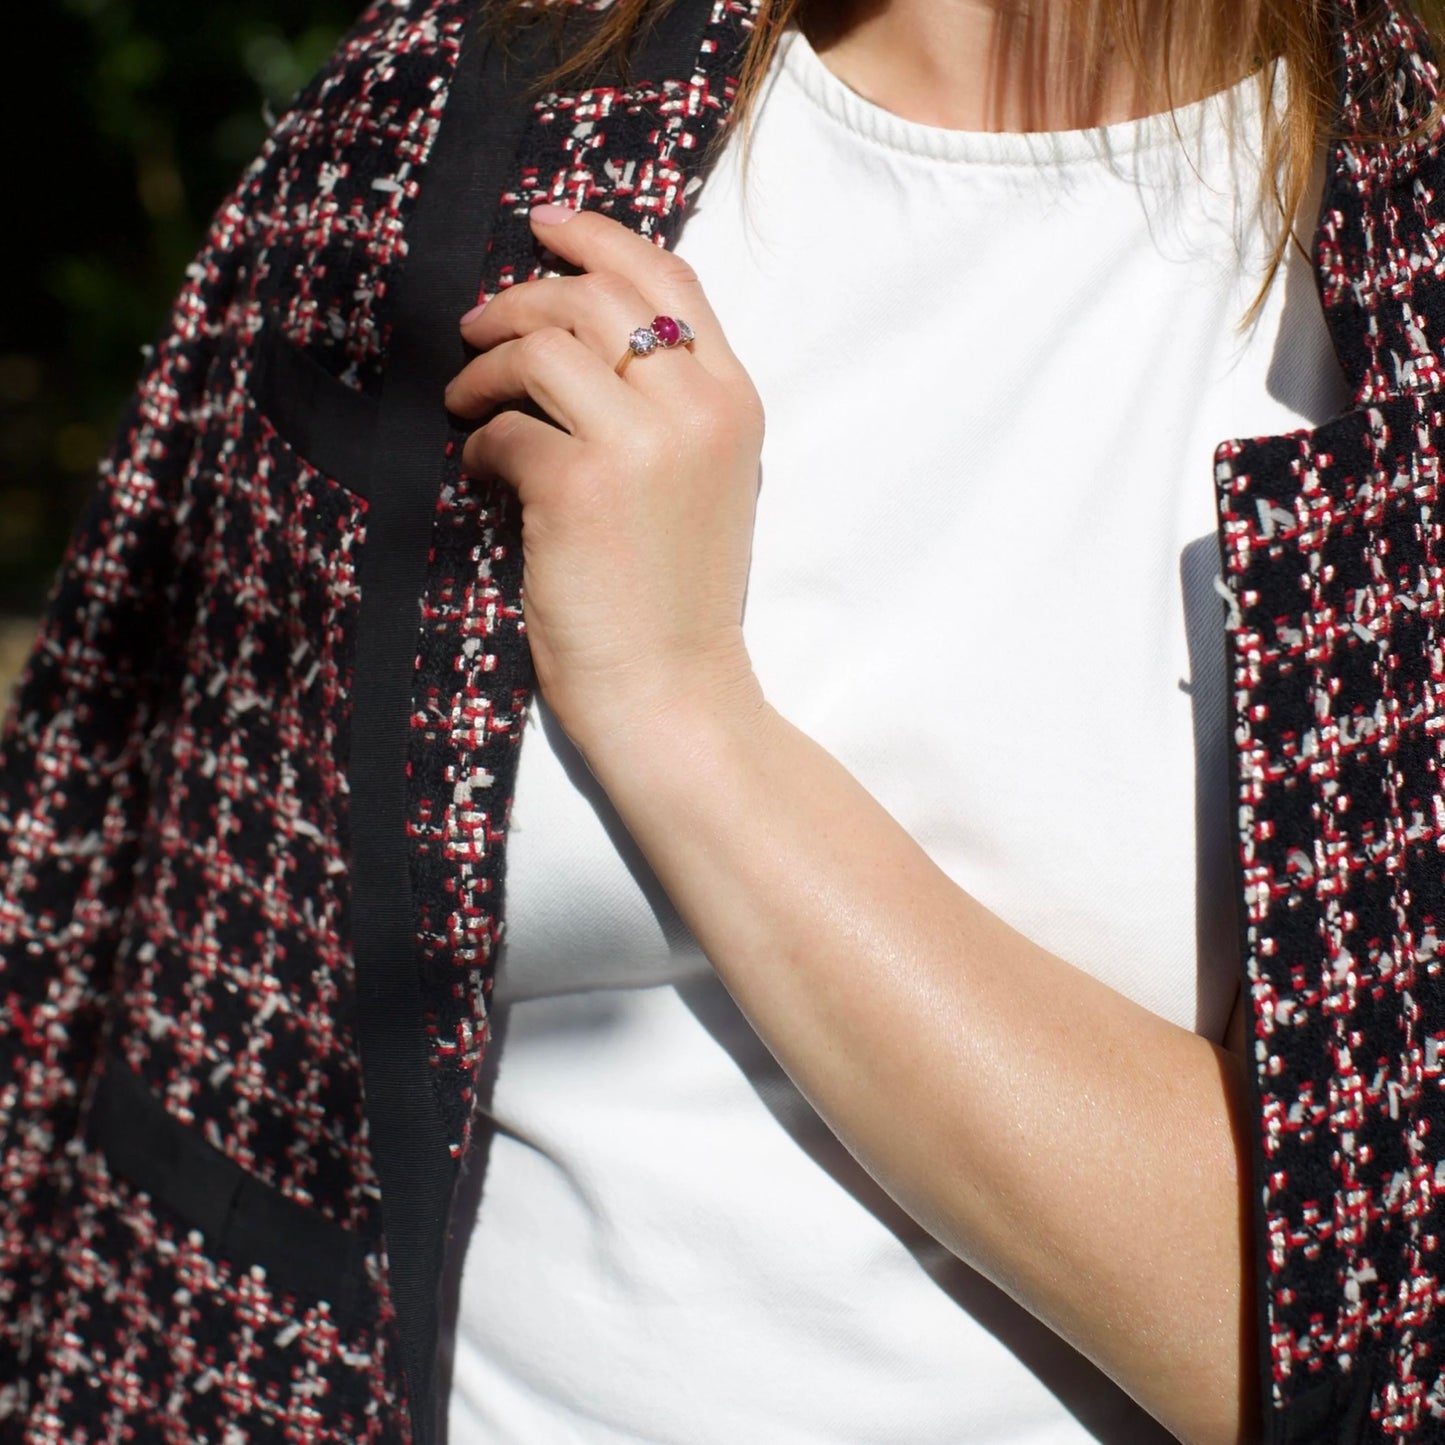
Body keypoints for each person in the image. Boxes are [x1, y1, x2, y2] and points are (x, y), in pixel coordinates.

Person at [1, 0, 1441, 1440]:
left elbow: (1363, 1335)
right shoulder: (441, 124)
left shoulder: (1401, 281)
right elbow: (120, 965)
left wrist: (679, 705)